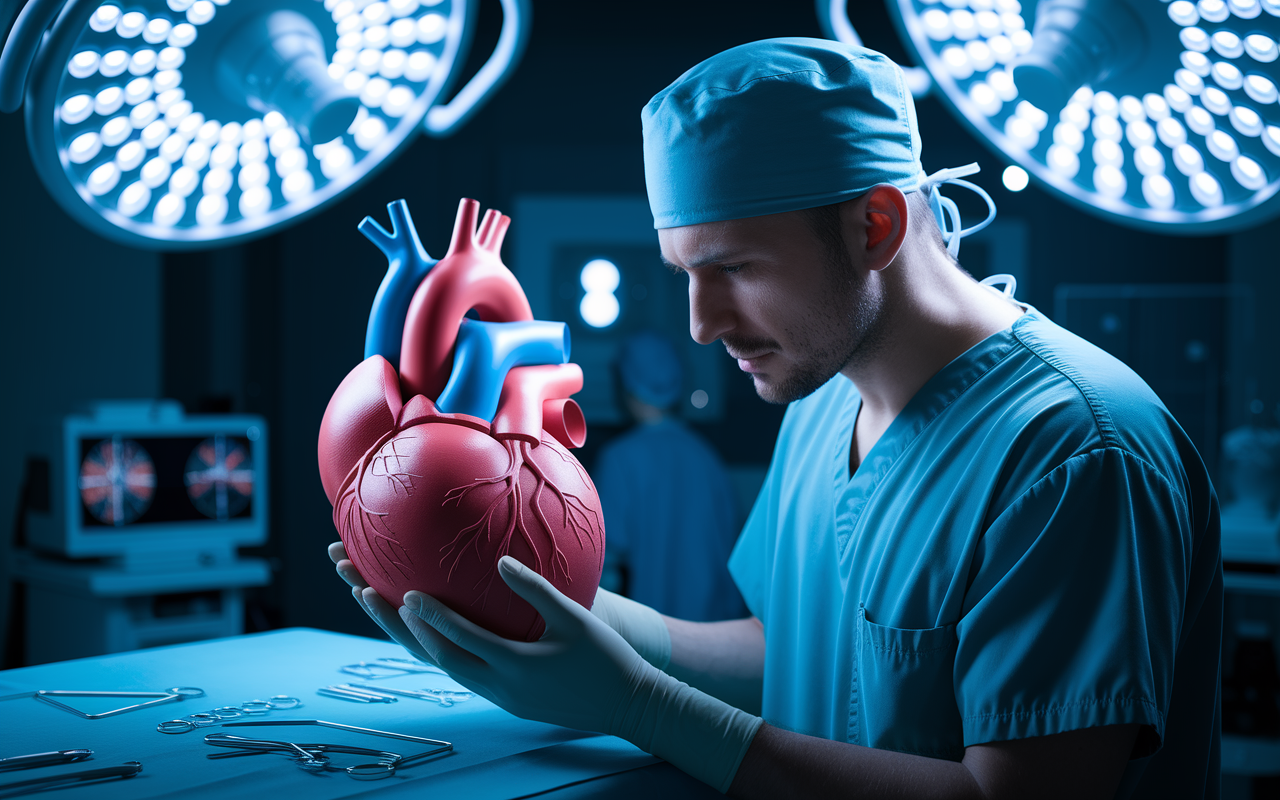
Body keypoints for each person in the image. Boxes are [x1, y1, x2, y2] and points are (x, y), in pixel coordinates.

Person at [330, 38, 1222, 799]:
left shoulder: (1073, 451)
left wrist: (638, 707)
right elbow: (789, 653)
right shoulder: (824, 397)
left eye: (735, 268)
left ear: (875, 225)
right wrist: (531, 611)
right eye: (684, 272)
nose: (702, 325)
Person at [593, 330, 748, 622]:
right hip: (719, 636)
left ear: (626, 385)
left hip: (653, 638)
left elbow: (602, 558)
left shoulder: (621, 458)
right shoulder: (707, 457)